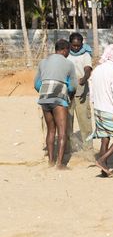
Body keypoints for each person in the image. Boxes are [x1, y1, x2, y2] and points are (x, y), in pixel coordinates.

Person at [34, 39, 77, 169]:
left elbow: (37, 84)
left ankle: (51, 161)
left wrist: (45, 92)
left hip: (44, 99)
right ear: (64, 50)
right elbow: (73, 86)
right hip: (59, 98)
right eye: (68, 50)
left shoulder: (43, 62)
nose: (69, 53)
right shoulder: (69, 64)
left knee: (51, 130)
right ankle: (60, 163)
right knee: (62, 131)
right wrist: (68, 94)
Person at [89, 44, 113, 177]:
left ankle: (103, 169)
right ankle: (101, 160)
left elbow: (92, 92)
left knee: (105, 138)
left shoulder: (97, 70)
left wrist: (95, 104)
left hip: (98, 109)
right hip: (110, 109)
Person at [67, 32, 93, 151]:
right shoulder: (66, 54)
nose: (76, 48)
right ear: (70, 44)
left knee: (84, 121)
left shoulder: (86, 55)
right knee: (67, 120)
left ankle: (88, 148)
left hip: (81, 90)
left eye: (78, 45)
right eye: (74, 45)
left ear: (82, 44)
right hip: (67, 91)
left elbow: (87, 69)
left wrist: (84, 78)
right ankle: (67, 148)